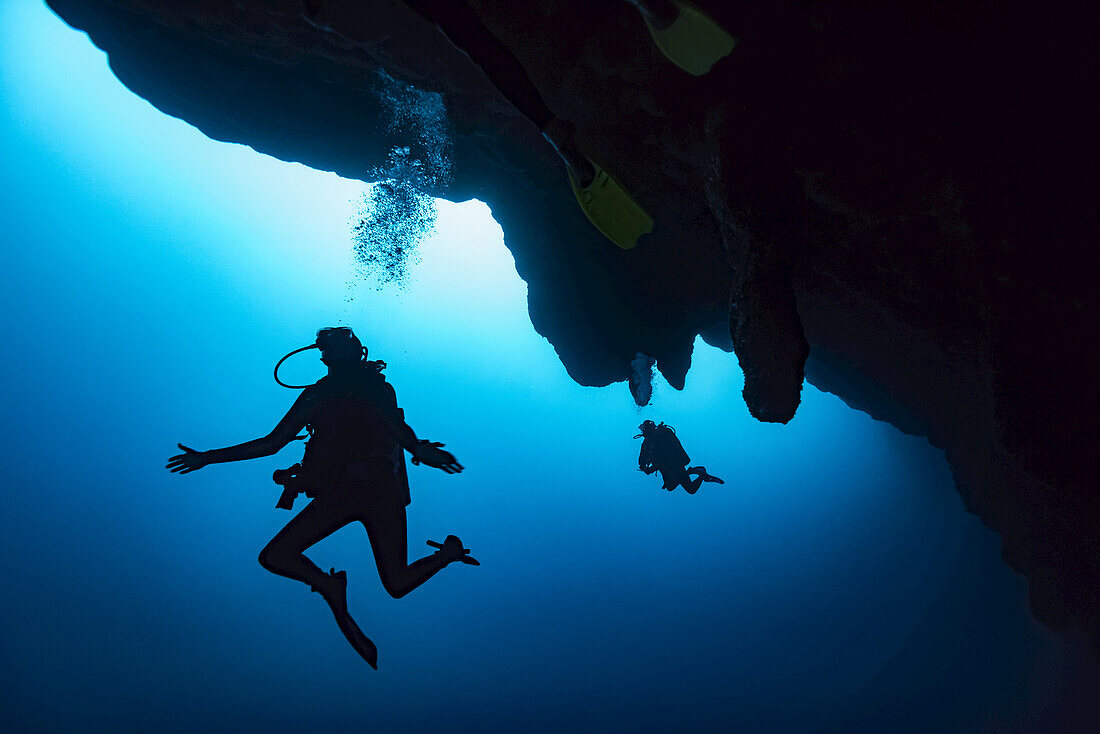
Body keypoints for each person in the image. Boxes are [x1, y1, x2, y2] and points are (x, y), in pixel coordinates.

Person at [166, 327, 476, 669]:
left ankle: (445, 556)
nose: (334, 354)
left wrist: (417, 448)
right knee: (275, 556)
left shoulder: (370, 386)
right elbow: (273, 443)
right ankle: (328, 586)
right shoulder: (317, 395)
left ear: (354, 352)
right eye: (330, 348)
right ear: (325, 356)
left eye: (341, 346)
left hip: (377, 490)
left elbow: (393, 425)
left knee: (397, 583)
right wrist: (207, 457)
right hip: (342, 493)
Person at [634, 419, 724, 494]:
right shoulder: (648, 442)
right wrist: (644, 467)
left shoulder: (654, 439)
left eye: (643, 428)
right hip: (669, 466)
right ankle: (699, 473)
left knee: (683, 488)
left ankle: (695, 471)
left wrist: (648, 468)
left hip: (673, 465)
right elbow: (642, 459)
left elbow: (661, 457)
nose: (642, 431)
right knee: (684, 488)